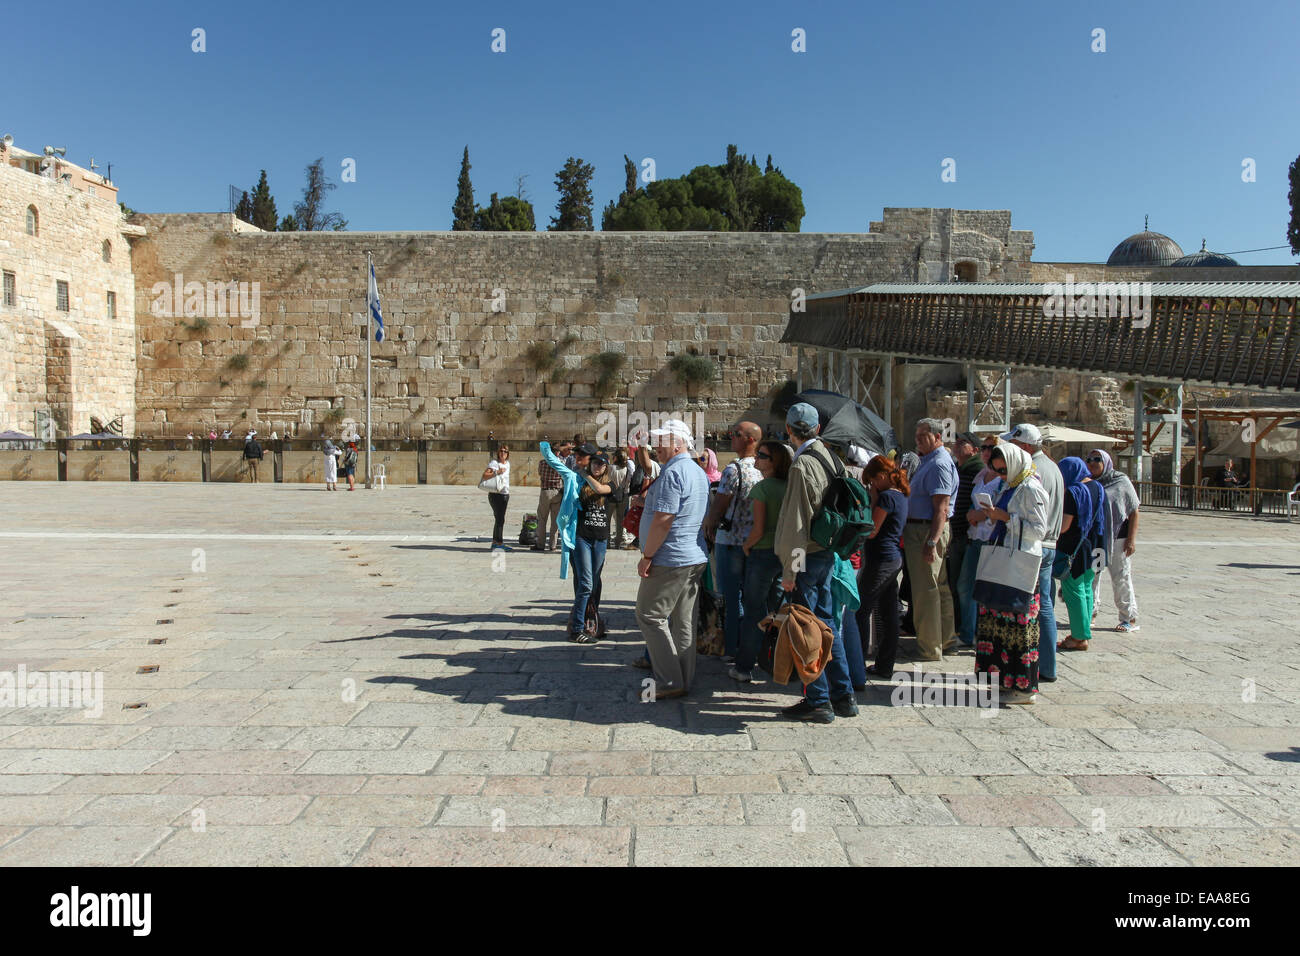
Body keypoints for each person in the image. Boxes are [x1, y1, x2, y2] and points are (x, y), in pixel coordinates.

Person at [772, 403, 858, 723]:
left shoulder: (801, 466)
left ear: (789, 429)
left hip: (805, 556)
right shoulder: (832, 457)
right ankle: (844, 695)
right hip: (826, 553)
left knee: (807, 630)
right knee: (826, 625)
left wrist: (790, 570)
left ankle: (819, 699)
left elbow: (796, 524)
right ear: (818, 429)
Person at [635, 419, 709, 700]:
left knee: (649, 615)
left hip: (671, 558)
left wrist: (648, 556)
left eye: (661, 441)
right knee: (683, 619)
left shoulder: (672, 473)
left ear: (677, 443)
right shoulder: (697, 472)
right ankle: (682, 677)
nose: (656, 447)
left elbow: (664, 520)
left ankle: (668, 680)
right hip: (693, 555)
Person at [974, 443, 1050, 704]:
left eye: (1004, 469)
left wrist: (1006, 518)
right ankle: (1003, 681)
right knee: (999, 625)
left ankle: (1024, 687)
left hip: (1020, 565)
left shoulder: (1031, 487)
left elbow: (1039, 529)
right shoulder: (1009, 485)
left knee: (1019, 628)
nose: (1001, 474)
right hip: (1003, 560)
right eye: (996, 470)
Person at [1002, 423, 1064, 681]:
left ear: (1025, 446)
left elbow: (1036, 520)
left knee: (1039, 607)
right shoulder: (1053, 466)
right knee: (1044, 604)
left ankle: (1042, 667)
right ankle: (1044, 666)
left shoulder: (1036, 472)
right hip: (1050, 543)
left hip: (1037, 544)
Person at [703, 422, 763, 661]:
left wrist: (709, 523)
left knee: (730, 598)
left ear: (750, 440)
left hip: (729, 541)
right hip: (755, 542)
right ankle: (752, 647)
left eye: (736, 435)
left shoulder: (733, 470)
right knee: (752, 598)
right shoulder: (763, 469)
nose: (731, 438)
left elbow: (720, 504)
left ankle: (731, 648)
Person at [732, 439, 791, 682]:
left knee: (754, 612)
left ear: (773, 462)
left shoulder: (762, 490)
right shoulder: (789, 487)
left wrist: (747, 546)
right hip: (783, 555)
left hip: (762, 553)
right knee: (777, 610)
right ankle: (777, 661)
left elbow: (758, 529)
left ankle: (744, 666)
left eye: (762, 456)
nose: (756, 459)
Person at [902, 419, 959, 662]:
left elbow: (941, 508)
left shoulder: (938, 465)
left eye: (923, 435)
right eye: (917, 434)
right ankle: (945, 639)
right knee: (940, 587)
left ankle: (929, 647)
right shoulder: (929, 461)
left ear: (938, 437)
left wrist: (931, 542)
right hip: (924, 529)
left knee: (926, 591)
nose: (918, 439)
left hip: (925, 531)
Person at [856, 456, 910, 679]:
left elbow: (872, 530)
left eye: (871, 482)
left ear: (880, 477)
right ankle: (884, 665)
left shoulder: (886, 497)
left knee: (861, 610)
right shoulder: (900, 495)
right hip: (892, 558)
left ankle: (856, 662)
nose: (871, 487)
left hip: (882, 560)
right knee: (888, 615)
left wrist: (870, 504)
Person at [956, 437, 1005, 653]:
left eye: (991, 448)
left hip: (991, 538)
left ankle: (983, 633)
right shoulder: (981, 475)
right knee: (964, 585)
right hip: (975, 535)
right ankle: (968, 633)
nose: (986, 452)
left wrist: (982, 515)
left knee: (988, 590)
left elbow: (1005, 510)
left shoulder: (1004, 479)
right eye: (984, 448)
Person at [1055, 456, 1107, 652]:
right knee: (1086, 590)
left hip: (1073, 548)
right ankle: (1083, 633)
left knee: (1074, 592)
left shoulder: (1073, 492)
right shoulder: (1098, 487)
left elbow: (1064, 526)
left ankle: (1078, 637)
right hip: (1093, 545)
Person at [1087, 449, 1141, 632]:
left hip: (1119, 538)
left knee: (1121, 577)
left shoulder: (1120, 481)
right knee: (1092, 577)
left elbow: (1134, 510)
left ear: (1106, 461)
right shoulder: (1089, 483)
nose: (1092, 463)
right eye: (1089, 459)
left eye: (1097, 459)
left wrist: (1131, 540)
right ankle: (1090, 613)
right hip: (1097, 539)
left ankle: (1128, 617)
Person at [569, 452, 620, 644]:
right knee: (586, 583)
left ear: (606, 467)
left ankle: (592, 621)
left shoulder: (611, 485)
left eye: (601, 464)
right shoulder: (580, 484)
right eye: (595, 463)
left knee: (595, 582)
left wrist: (584, 473)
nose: (598, 466)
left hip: (600, 540)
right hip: (582, 537)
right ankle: (576, 628)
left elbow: (599, 488)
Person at [946, 433, 983, 647]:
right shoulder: (958, 469)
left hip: (967, 535)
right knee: (956, 584)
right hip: (957, 534)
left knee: (963, 585)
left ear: (975, 450)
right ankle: (961, 626)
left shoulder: (977, 471)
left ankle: (968, 630)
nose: (957, 446)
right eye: (957, 443)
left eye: (963, 444)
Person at [535, 440, 567, 552]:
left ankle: (540, 544)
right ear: (557, 452)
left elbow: (540, 473)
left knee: (542, 519)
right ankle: (552, 545)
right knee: (555, 521)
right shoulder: (561, 463)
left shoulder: (542, 463)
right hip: (557, 492)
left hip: (545, 491)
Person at [481, 444, 510, 550]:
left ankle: (495, 542)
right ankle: (499, 543)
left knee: (499, 519)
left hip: (505, 494)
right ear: (498, 453)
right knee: (500, 519)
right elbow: (485, 475)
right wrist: (497, 472)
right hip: (496, 495)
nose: (503, 453)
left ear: (508, 454)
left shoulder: (508, 464)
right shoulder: (494, 463)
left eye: (505, 451)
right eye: (501, 451)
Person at [608, 448, 633, 549]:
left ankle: (607, 542)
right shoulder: (628, 469)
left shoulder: (610, 468)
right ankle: (618, 542)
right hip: (623, 495)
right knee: (620, 520)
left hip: (610, 495)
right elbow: (628, 483)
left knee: (607, 520)